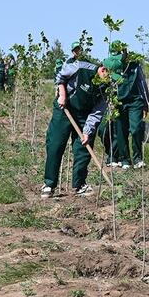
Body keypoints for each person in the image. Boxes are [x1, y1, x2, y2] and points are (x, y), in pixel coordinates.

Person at [41, 41, 108, 198]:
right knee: (56, 144)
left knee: (84, 147)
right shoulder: (81, 67)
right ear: (103, 70)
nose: (110, 80)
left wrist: (87, 131)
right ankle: (49, 184)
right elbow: (60, 76)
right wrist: (62, 95)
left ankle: (79, 184)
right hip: (65, 108)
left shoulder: (107, 87)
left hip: (84, 115)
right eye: (109, 75)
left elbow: (97, 112)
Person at [106, 41, 149, 169]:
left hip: (135, 101)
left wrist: (146, 104)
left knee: (136, 129)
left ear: (125, 53)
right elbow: (107, 86)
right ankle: (125, 159)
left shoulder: (135, 66)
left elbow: (142, 84)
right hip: (118, 102)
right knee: (120, 131)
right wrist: (110, 102)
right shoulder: (110, 65)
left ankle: (138, 159)